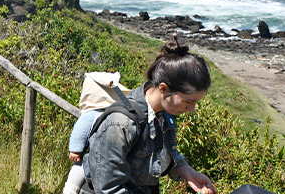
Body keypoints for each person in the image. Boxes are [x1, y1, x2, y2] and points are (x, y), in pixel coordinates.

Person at [83, 37, 218, 194]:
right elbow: (109, 189)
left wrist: (186, 170)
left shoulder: (163, 111)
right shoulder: (120, 124)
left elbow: (163, 149)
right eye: (188, 102)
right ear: (163, 89)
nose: (192, 109)